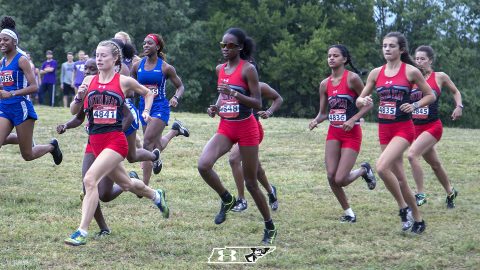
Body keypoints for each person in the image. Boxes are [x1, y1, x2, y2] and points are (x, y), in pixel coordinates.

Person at [64, 40, 169, 246]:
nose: (100, 58)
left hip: (115, 141)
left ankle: (81, 231)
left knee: (90, 180)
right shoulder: (88, 79)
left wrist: (146, 111)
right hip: (94, 142)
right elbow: (74, 112)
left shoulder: (124, 81)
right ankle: (156, 195)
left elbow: (147, 93)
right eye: (97, 54)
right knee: (127, 184)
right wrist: (78, 97)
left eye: (104, 55)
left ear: (115, 59)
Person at [197, 28, 277, 244]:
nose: (225, 49)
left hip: (246, 127)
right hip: (226, 126)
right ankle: (227, 198)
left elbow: (257, 103)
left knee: (251, 183)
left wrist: (235, 94)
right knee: (203, 165)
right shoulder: (219, 69)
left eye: (230, 45)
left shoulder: (248, 69)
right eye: (222, 45)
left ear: (240, 47)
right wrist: (216, 106)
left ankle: (269, 225)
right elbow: (222, 95)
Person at [356, 32, 435, 234]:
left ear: (401, 50)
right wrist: (362, 101)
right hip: (384, 129)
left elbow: (430, 95)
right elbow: (360, 99)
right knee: (399, 178)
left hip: (403, 129)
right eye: (384, 46)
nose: (387, 49)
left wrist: (415, 105)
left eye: (392, 46)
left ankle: (403, 209)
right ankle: (416, 218)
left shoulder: (410, 71)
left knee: (382, 167)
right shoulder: (375, 73)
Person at [309, 44, 377, 223]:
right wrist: (316, 120)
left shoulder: (352, 79)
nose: (331, 58)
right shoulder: (324, 84)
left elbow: (368, 104)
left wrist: (353, 119)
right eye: (329, 55)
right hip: (334, 132)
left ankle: (364, 170)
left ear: (344, 59)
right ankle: (349, 213)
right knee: (331, 176)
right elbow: (323, 112)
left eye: (336, 56)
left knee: (340, 179)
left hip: (351, 133)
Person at [0, 16, 62, 165]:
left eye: (6, 40)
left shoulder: (21, 60)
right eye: (0, 39)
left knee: (27, 155)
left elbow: (34, 87)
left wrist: (12, 93)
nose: (2, 42)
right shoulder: (2, 62)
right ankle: (22, 138)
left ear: (14, 42)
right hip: (4, 108)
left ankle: (51, 147)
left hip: (21, 108)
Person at [407, 45, 462, 208]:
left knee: (411, 155)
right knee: (436, 165)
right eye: (416, 58)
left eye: (422, 59)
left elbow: (455, 91)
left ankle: (420, 194)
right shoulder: (410, 78)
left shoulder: (440, 77)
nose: (419, 62)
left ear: (430, 60)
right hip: (415, 128)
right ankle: (451, 191)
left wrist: (459, 106)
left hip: (432, 127)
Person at [131, 33, 189, 185]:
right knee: (157, 145)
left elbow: (180, 86)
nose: (145, 46)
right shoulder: (137, 66)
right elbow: (130, 86)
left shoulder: (165, 67)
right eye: (144, 43)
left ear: (157, 47)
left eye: (149, 43)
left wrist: (176, 97)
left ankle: (143, 186)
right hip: (143, 107)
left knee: (147, 143)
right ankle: (175, 131)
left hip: (160, 107)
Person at [230, 81, 283, 212]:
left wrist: (269, 112)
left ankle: (241, 200)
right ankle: (271, 190)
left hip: (252, 130)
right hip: (236, 128)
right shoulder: (231, 84)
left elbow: (278, 98)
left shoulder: (259, 86)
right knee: (256, 168)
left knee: (234, 159)